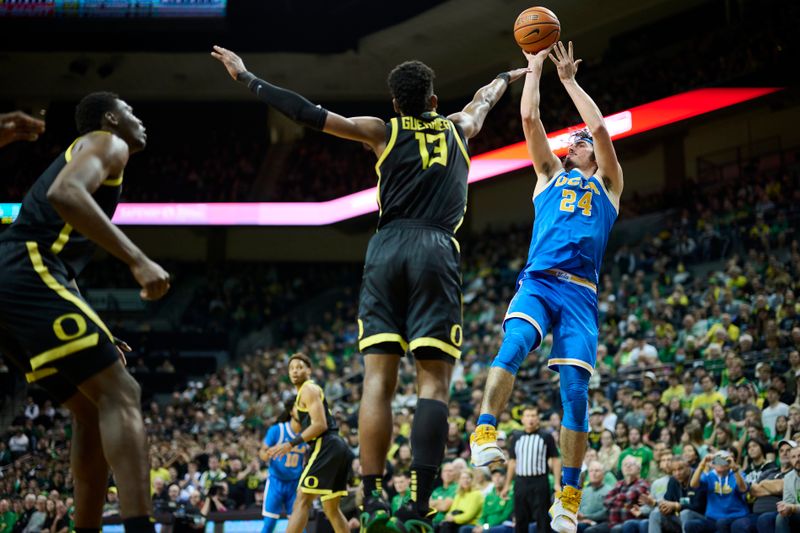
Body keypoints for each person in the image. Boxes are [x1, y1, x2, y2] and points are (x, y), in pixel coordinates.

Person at [211, 45, 528, 533]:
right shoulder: (460, 126)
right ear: (435, 99)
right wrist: (509, 73)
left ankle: (374, 495)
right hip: (436, 248)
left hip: (386, 248)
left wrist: (247, 77)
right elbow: (485, 98)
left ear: (396, 103)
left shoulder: (381, 129)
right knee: (433, 385)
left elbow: (307, 112)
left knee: (378, 380)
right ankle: (420, 503)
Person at [468, 40, 623, 533]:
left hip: (580, 293)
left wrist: (570, 81)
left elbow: (599, 129)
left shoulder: (609, 185)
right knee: (513, 343)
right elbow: (531, 122)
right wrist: (534, 69)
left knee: (576, 392)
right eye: (573, 139)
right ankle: (485, 431)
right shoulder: (548, 176)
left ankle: (570, 498)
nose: (575, 142)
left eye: (580, 141)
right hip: (538, 281)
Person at [0, 92, 170, 533]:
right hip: (24, 267)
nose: (139, 119)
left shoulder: (98, 157)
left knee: (92, 409)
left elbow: (62, 267)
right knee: (122, 392)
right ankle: (139, 527)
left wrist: (97, 328)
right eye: (132, 110)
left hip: (23, 279)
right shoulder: (104, 142)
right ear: (112, 118)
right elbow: (65, 192)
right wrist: (137, 259)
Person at [264, 353, 353, 533]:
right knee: (331, 509)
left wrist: (290, 444)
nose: (295, 371)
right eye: (292, 368)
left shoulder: (308, 389)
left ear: (309, 370)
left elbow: (320, 425)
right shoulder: (304, 393)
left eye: (300, 367)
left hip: (326, 444)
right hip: (337, 446)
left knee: (302, 500)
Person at [504, 407, 560, 533]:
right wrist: (507, 485)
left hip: (540, 481)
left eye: (534, 415)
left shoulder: (546, 436)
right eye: (528, 416)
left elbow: (556, 459)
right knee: (520, 518)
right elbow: (512, 461)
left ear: (538, 419)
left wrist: (556, 482)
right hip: (520, 482)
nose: (531, 419)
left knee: (542, 518)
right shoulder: (516, 437)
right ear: (522, 419)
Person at [259, 407, 308, 533]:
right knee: (269, 524)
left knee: (299, 526)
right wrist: (267, 455)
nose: (303, 410)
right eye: (299, 408)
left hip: (294, 484)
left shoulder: (308, 432)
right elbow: (263, 452)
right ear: (291, 412)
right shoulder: (278, 430)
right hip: (276, 482)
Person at [685, 451, 749, 533]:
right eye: (717, 460)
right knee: (690, 525)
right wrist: (702, 464)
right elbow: (693, 484)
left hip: (735, 516)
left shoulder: (737, 474)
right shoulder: (709, 476)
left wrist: (734, 469)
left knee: (722, 523)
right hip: (713, 519)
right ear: (713, 464)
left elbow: (743, 489)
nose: (720, 463)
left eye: (724, 460)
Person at [576, 462, 611, 532]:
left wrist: (586, 517)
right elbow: (577, 508)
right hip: (582, 521)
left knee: (580, 528)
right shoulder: (584, 491)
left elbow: (605, 512)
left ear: (603, 474)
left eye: (597, 471)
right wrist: (580, 519)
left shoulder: (609, 490)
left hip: (600, 523)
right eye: (591, 471)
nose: (593, 473)